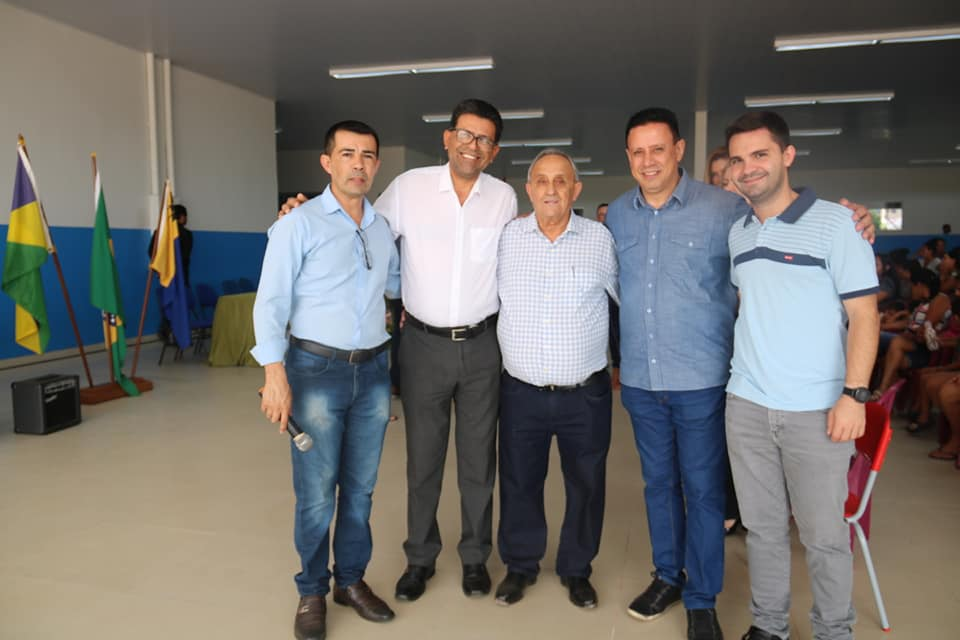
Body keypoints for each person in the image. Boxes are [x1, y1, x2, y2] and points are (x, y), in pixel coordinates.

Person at [603, 107, 875, 640]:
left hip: (708, 380)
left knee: (707, 492)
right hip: (654, 382)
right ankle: (672, 579)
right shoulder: (621, 217)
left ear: (679, 151)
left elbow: (854, 295)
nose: (648, 160)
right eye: (638, 151)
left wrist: (859, 219)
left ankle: (703, 598)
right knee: (665, 488)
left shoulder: (727, 209)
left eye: (658, 148)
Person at [724, 110, 879, 640]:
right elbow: (752, 305)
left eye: (760, 154)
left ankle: (834, 630)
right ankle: (768, 626)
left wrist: (854, 395)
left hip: (817, 411)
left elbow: (864, 314)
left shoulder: (838, 224)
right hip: (746, 405)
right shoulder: (739, 234)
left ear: (787, 155)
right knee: (763, 530)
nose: (748, 168)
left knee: (824, 537)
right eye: (738, 160)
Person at [253, 120, 400, 640]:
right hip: (315, 371)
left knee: (360, 490)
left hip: (374, 372)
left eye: (368, 155)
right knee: (316, 493)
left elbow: (396, 286)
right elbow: (270, 302)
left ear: (376, 165)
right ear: (327, 162)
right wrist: (275, 374)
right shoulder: (298, 224)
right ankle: (312, 590)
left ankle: (351, 582)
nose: (358, 164)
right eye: (347, 154)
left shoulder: (382, 229)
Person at [494, 150, 618, 609]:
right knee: (519, 480)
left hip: (584, 394)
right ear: (529, 190)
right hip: (521, 392)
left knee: (586, 483)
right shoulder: (507, 238)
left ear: (575, 189)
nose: (551, 189)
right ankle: (520, 565)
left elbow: (624, 299)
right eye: (542, 181)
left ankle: (576, 569)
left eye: (561, 181)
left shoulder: (600, 240)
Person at [596, 202, 621, 388]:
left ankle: (618, 371)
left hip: (615, 291)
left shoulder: (619, 236)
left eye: (607, 214)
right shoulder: (592, 237)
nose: (604, 218)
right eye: (601, 215)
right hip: (596, 292)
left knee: (616, 331)